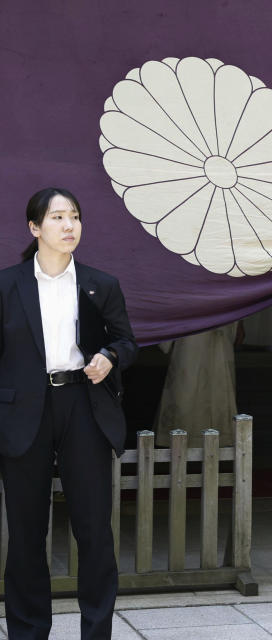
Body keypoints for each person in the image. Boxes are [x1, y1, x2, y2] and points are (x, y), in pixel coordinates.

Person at [0, 188, 138, 639]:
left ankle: (96, 631)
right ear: (34, 228)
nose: (68, 226)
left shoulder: (101, 284)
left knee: (94, 529)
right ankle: (27, 631)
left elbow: (126, 341)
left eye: (75, 216)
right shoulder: (7, 285)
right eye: (57, 217)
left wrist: (109, 358)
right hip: (26, 410)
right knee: (26, 532)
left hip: (83, 404)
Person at [155, 322, 239, 447]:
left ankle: (219, 439)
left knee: (218, 384)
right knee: (185, 387)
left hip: (220, 325)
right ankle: (179, 440)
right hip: (191, 327)